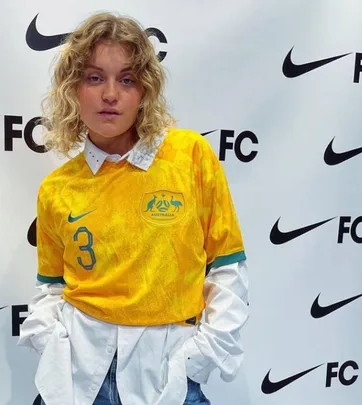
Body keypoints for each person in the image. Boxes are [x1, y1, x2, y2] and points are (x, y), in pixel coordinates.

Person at [18, 11, 249, 405]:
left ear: (145, 91)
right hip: (76, 381)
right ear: (73, 89)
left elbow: (227, 268)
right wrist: (49, 338)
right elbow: (52, 286)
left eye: (126, 79)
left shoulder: (189, 156)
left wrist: (199, 358)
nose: (110, 94)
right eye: (94, 77)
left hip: (166, 379)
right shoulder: (57, 188)